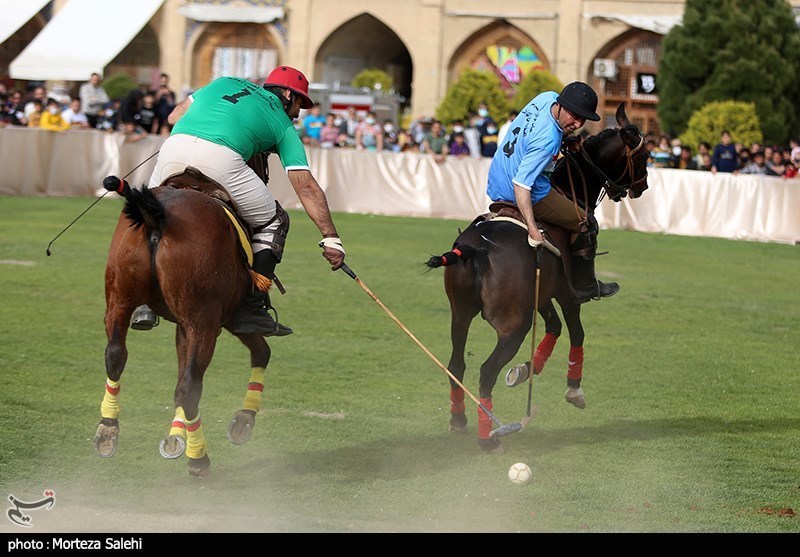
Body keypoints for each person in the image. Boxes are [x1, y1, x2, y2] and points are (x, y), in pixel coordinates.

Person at [130, 66, 346, 335]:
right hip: (221, 159)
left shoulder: (224, 81)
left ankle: (143, 299)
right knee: (275, 221)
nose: (299, 112)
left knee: (148, 216)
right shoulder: (282, 123)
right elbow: (306, 187)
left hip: (174, 148)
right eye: (300, 102)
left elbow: (175, 115)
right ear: (289, 95)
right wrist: (330, 237)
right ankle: (253, 307)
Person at [486, 81, 619, 303]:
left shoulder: (546, 97)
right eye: (574, 116)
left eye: (582, 119)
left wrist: (566, 140)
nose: (577, 123)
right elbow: (522, 184)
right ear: (561, 105)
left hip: (496, 179)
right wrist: (532, 229)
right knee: (585, 220)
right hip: (517, 190)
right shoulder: (548, 140)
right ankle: (584, 285)